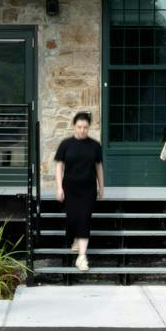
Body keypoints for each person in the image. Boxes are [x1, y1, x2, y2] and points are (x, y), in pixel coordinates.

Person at [51, 109, 105, 272]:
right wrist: (59, 187)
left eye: (85, 127)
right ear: (74, 126)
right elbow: (59, 166)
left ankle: (82, 257)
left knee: (85, 219)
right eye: (80, 127)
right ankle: (74, 239)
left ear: (89, 128)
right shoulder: (66, 145)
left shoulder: (95, 146)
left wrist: (101, 187)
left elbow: (99, 167)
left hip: (88, 188)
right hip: (70, 187)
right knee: (73, 218)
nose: (82, 130)